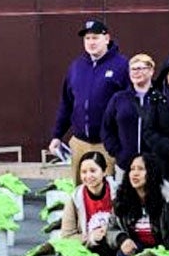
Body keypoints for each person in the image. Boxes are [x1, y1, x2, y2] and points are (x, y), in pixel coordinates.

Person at [49, 18, 127, 181]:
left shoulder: (122, 66)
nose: (91, 42)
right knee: (81, 193)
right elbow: (66, 104)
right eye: (87, 38)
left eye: (95, 37)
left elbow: (128, 106)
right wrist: (57, 135)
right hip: (80, 144)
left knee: (108, 192)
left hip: (108, 144)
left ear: (106, 38)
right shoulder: (76, 67)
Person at [101, 53, 169, 172]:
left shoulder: (162, 97)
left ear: (151, 71)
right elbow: (107, 128)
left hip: (156, 165)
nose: (136, 72)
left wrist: (164, 152)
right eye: (133, 69)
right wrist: (117, 152)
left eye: (140, 68)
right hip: (126, 165)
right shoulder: (119, 98)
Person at [58, 148, 118, 256]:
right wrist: (91, 238)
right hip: (89, 246)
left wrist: (110, 232)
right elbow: (67, 236)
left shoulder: (118, 194)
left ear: (104, 171)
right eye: (84, 172)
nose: (88, 176)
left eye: (93, 171)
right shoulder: (75, 198)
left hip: (115, 243)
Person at [110, 153, 168, 256]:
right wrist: (123, 239)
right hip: (137, 249)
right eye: (132, 169)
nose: (135, 173)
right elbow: (111, 228)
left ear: (152, 172)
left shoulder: (167, 198)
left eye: (141, 169)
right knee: (123, 255)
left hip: (163, 249)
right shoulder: (122, 199)